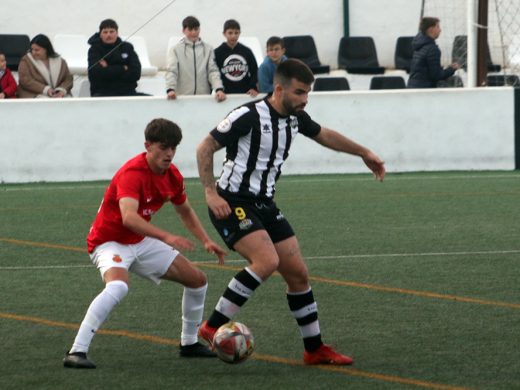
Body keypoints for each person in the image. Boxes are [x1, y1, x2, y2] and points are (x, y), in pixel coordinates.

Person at [196, 59, 385, 366]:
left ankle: (314, 349)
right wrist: (209, 191)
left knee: (298, 276)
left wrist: (363, 151)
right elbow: (205, 147)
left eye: (308, 93)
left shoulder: (296, 118)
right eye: (299, 92)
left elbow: (324, 134)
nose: (304, 99)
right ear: (279, 88)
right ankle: (212, 326)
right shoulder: (248, 115)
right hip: (231, 202)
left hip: (264, 205)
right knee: (267, 261)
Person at [63, 118, 226, 369]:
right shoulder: (133, 173)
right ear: (147, 146)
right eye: (163, 147)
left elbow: (185, 211)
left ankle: (189, 343)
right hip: (109, 242)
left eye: (173, 147)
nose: (169, 153)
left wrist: (206, 241)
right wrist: (166, 237)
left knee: (198, 280)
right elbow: (129, 218)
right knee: (118, 287)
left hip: (140, 241)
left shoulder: (172, 176)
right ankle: (76, 351)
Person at [165, 16, 225, 102]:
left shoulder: (208, 49)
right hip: (181, 99)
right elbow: (171, 71)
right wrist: (170, 89)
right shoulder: (175, 50)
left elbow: (213, 71)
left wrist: (218, 89)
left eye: (196, 29)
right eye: (190, 29)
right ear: (183, 30)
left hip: (203, 98)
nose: (194, 32)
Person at [88, 18, 145, 97]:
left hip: (128, 93)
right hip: (103, 94)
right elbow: (96, 73)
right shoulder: (94, 50)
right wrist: (123, 68)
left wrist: (108, 68)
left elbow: (136, 73)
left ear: (117, 33)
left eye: (111, 31)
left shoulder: (127, 47)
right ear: (100, 34)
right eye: (105, 32)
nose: (108, 35)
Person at [407, 17, 460, 88]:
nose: (440, 30)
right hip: (424, 90)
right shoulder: (432, 49)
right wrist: (451, 69)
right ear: (431, 29)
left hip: (412, 86)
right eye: (437, 27)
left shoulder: (419, 45)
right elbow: (436, 75)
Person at [17, 34, 73, 98]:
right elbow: (25, 80)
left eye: (37, 50)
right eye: (32, 49)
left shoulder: (60, 62)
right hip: (34, 93)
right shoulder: (26, 61)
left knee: (68, 101)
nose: (33, 52)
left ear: (46, 49)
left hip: (57, 93)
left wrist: (61, 91)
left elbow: (68, 79)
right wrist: (46, 90)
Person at [214, 19, 258, 97]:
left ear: (239, 33)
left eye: (236, 33)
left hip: (245, 94)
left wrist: (253, 87)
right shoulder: (217, 52)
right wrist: (218, 89)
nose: (233, 36)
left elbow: (255, 71)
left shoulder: (247, 51)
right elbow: (214, 73)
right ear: (224, 34)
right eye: (230, 33)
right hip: (225, 95)